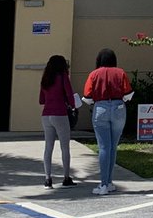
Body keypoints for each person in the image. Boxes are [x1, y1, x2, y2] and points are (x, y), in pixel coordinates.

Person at [83, 47, 132, 195]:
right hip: (118, 107)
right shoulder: (120, 72)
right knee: (112, 146)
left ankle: (103, 184)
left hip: (101, 108)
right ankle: (109, 182)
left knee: (104, 147)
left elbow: (87, 96)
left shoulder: (94, 74)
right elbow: (128, 94)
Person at [39, 54, 77, 189]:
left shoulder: (45, 79)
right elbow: (69, 95)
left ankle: (47, 179)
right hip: (60, 114)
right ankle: (66, 177)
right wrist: (72, 105)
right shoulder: (63, 77)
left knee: (48, 147)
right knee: (64, 147)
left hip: (46, 115)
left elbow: (41, 100)